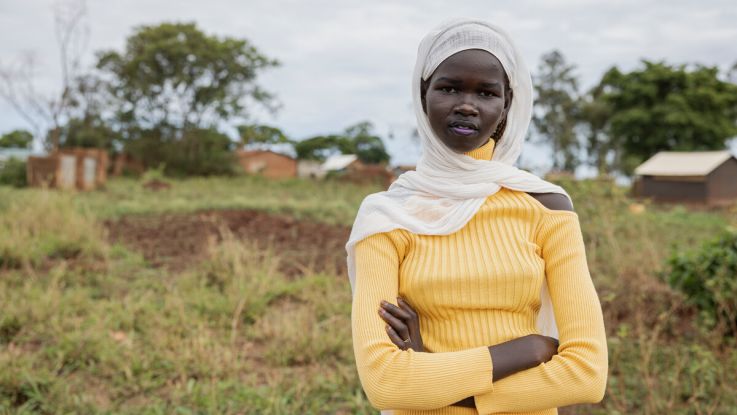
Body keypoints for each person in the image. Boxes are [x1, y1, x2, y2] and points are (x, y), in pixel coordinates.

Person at [346, 19, 608, 415]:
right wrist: (527, 349)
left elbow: (587, 374)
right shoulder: (387, 216)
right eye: (449, 87)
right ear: (423, 95)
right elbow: (385, 382)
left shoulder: (548, 208)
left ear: (505, 108)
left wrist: (433, 377)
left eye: (486, 93)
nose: (467, 104)